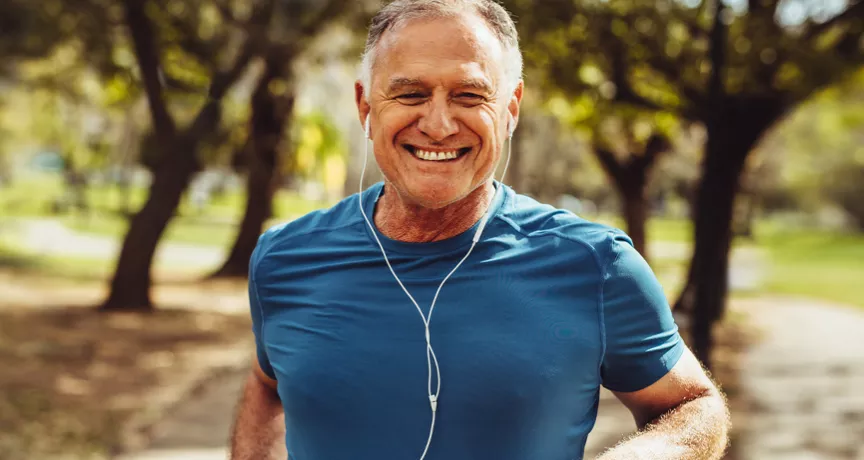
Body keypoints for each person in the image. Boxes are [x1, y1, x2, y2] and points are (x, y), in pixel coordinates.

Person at [230, 1, 730, 459]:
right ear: (365, 106)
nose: (440, 124)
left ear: (510, 109)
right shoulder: (283, 258)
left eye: (470, 94)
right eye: (410, 93)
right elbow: (267, 382)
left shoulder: (596, 264)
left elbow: (693, 406)